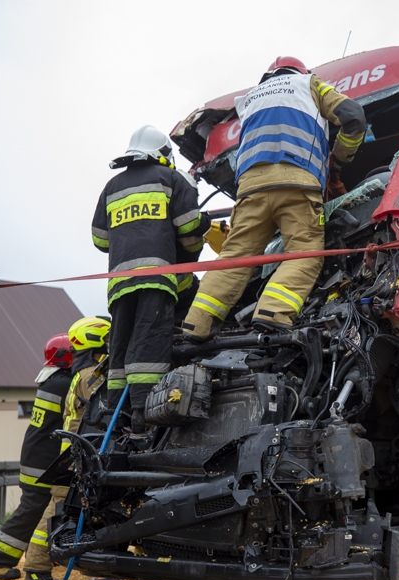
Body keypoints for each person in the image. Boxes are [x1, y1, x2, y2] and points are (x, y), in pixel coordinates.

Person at [181, 56, 367, 340]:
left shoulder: (249, 99)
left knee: (235, 257)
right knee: (304, 253)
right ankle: (272, 313)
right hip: (297, 181)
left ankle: (196, 324)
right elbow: (353, 117)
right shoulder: (309, 84)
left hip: (250, 189)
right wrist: (339, 160)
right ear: (300, 72)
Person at [91, 126, 204, 432]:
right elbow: (188, 230)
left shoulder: (112, 186)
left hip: (119, 283)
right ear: (163, 153)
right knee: (150, 339)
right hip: (157, 278)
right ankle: (143, 411)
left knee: (121, 343)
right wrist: (202, 225)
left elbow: (100, 240)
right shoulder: (172, 178)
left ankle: (116, 412)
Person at [20, 316, 110, 580]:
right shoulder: (91, 376)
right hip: (78, 456)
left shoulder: (82, 373)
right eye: (109, 340)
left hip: (79, 452)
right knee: (58, 509)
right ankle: (35, 572)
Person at [0, 334, 73, 580]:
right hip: (43, 461)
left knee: (38, 509)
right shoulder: (64, 384)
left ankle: (36, 554)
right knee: (32, 510)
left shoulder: (53, 381)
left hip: (38, 456)